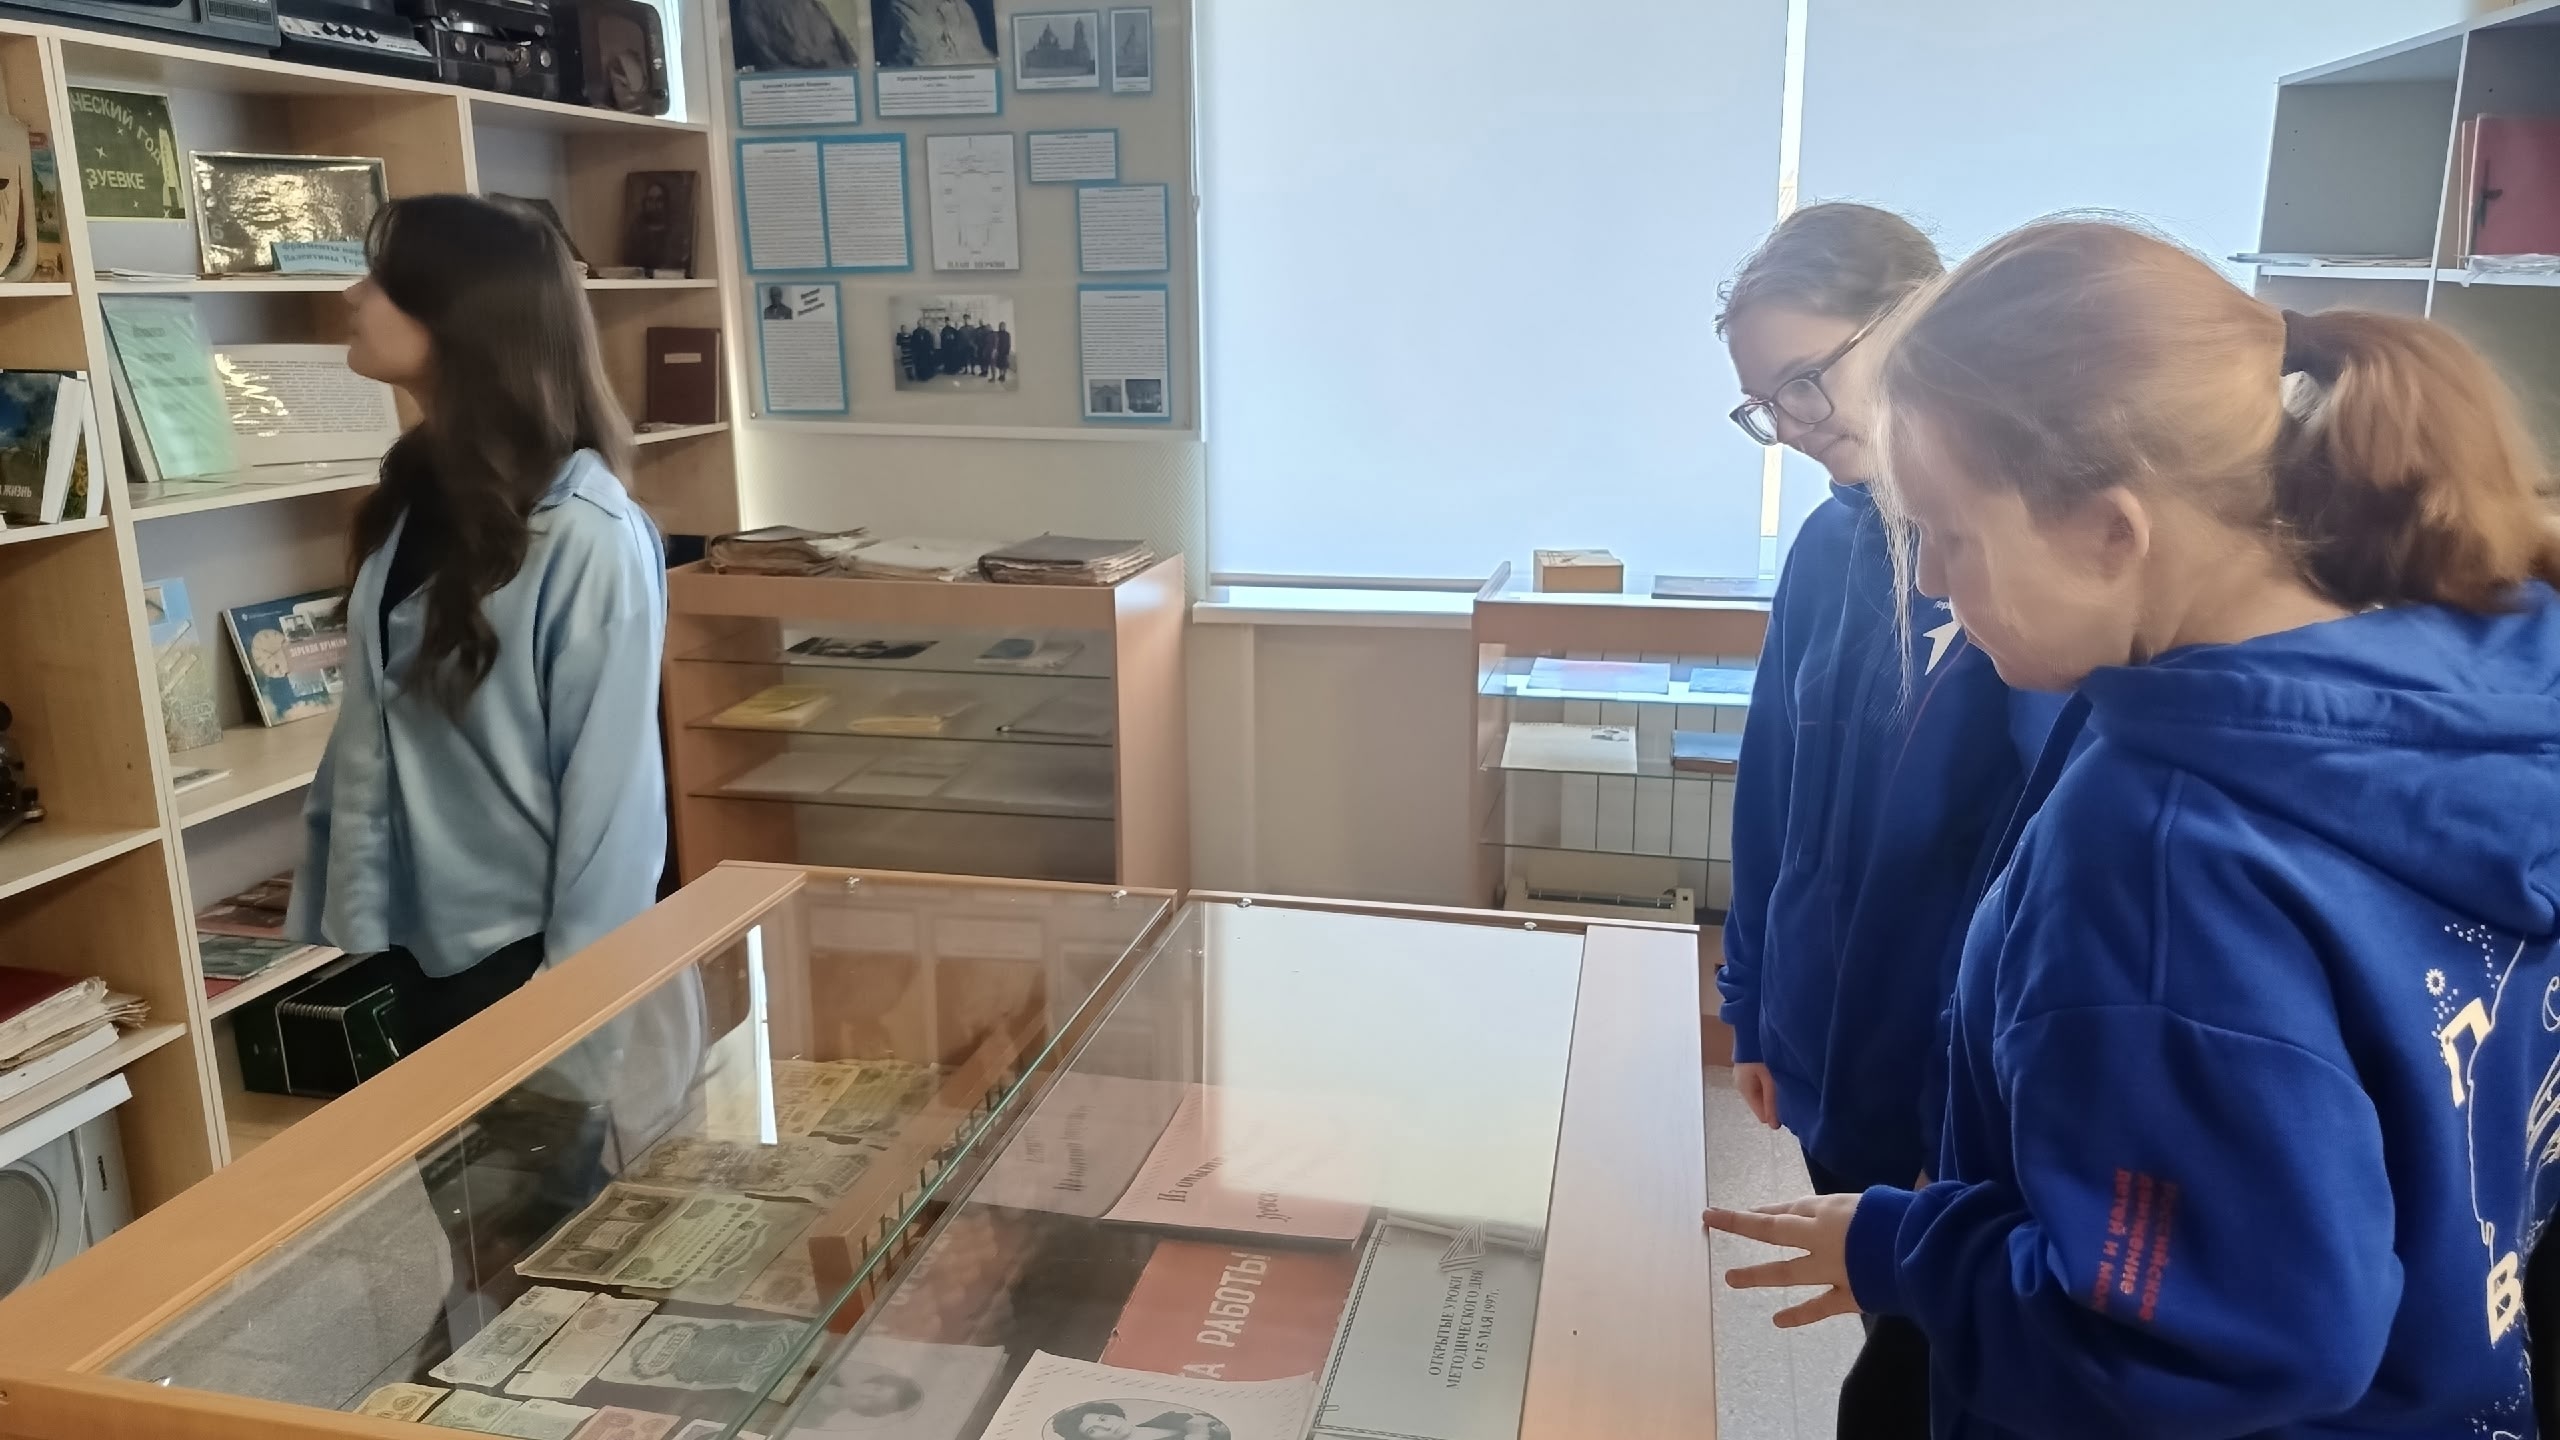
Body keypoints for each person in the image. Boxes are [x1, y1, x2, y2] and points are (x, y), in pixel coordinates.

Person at [1710, 218, 2560, 1438]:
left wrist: (1912, 1250)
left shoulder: (2159, 851)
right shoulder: (2474, 690)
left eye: (1951, 536)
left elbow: (2202, 1340)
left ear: (2112, 531)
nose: (1930, 580)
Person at [1715, 202, 2057, 1438]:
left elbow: (2030, 865)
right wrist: (1753, 1001)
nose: (1796, 424)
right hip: (1830, 1045)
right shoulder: (1825, 549)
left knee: (1949, 1371)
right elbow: (1773, 787)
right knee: (1892, 1338)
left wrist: (1969, 1131)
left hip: (1960, 1079)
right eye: (1766, 406)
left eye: (1807, 380)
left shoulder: (2024, 554)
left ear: (1917, 319)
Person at [288, 194, 668, 1049]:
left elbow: (616, 803)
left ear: (459, 314)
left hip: (525, 964)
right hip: (406, 942)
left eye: (382, 280)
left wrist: (574, 1014)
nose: (351, 295)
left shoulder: (586, 533)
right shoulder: (412, 495)